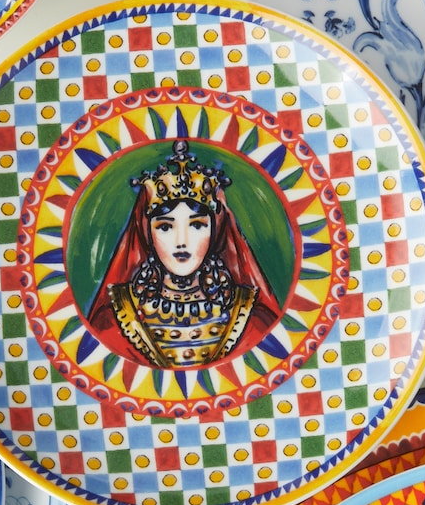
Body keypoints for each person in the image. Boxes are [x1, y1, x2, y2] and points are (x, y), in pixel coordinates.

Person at [87, 140, 282, 369]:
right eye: (165, 227)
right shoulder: (112, 321)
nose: (182, 241)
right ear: (146, 232)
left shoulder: (254, 320)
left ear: (216, 230)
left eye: (197, 225)